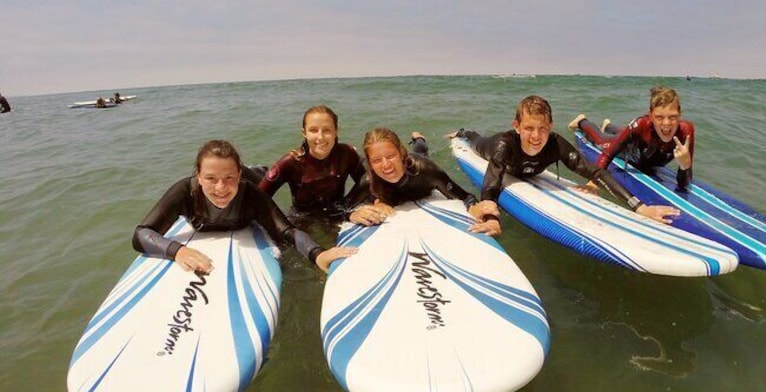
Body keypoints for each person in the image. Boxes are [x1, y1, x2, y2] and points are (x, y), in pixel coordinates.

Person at [132, 139, 355, 274]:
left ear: (238, 176)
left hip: (254, 178)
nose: (220, 187)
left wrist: (318, 255)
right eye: (210, 178)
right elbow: (141, 233)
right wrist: (177, 250)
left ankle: (254, 169)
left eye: (229, 178)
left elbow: (286, 231)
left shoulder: (251, 194)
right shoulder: (184, 192)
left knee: (260, 177)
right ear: (198, 176)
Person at [451, 95, 679, 224]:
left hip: (525, 170)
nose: (536, 136)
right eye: (528, 128)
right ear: (517, 127)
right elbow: (491, 185)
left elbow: (596, 172)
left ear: (550, 127)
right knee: (477, 142)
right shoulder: (504, 146)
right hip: (489, 147)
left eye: (542, 128)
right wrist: (491, 218)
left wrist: (640, 208)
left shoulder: (556, 145)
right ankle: (464, 132)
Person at [349, 127, 501, 236]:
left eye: (390, 156)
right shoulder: (369, 180)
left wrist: (490, 219)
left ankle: (418, 137)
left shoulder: (426, 171)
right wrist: (354, 214)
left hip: (417, 157)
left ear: (401, 153)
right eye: (376, 160)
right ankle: (356, 152)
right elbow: (339, 208)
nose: (386, 165)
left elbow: (466, 198)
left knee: (421, 149)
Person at [568, 86, 694, 190]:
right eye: (659, 117)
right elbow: (607, 155)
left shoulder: (685, 132)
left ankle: (608, 126)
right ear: (650, 116)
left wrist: (685, 166)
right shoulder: (641, 124)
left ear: (680, 115)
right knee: (601, 141)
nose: (666, 123)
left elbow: (683, 184)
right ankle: (582, 121)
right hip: (630, 151)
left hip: (645, 150)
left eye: (672, 117)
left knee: (626, 133)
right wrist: (594, 181)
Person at [257, 105, 367, 219]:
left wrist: (353, 210)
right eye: (313, 130)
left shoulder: (346, 154)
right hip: (303, 218)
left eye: (327, 130)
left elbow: (367, 183)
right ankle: (256, 173)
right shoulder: (291, 162)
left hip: (339, 212)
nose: (320, 137)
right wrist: (280, 224)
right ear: (304, 133)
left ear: (336, 131)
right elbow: (259, 197)